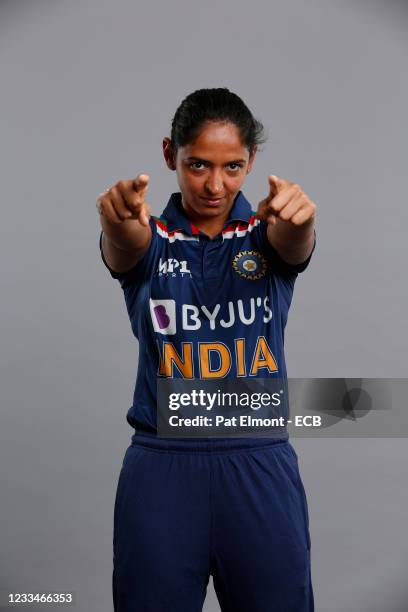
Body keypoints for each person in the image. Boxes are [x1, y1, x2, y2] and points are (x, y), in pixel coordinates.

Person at [97, 88, 316, 612]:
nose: (215, 185)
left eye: (232, 166)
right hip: (162, 467)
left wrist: (300, 221)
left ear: (251, 161)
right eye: (197, 165)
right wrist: (115, 220)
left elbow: (295, 242)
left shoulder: (267, 232)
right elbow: (126, 241)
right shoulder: (153, 237)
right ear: (170, 153)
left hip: (259, 461)